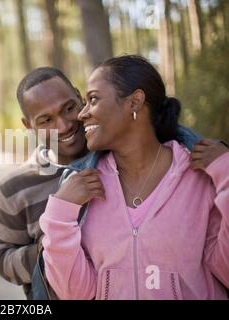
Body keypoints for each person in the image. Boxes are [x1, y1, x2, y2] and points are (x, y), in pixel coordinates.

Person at [39, 55, 229, 300]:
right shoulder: (81, 187)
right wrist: (59, 215)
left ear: (135, 101)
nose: (81, 114)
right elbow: (75, 293)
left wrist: (226, 174)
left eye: (93, 99)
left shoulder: (200, 177)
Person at [0, 67, 88, 299]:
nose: (63, 126)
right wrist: (46, 252)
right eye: (46, 120)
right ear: (29, 126)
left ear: (80, 97)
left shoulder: (117, 158)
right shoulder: (16, 187)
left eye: (69, 108)